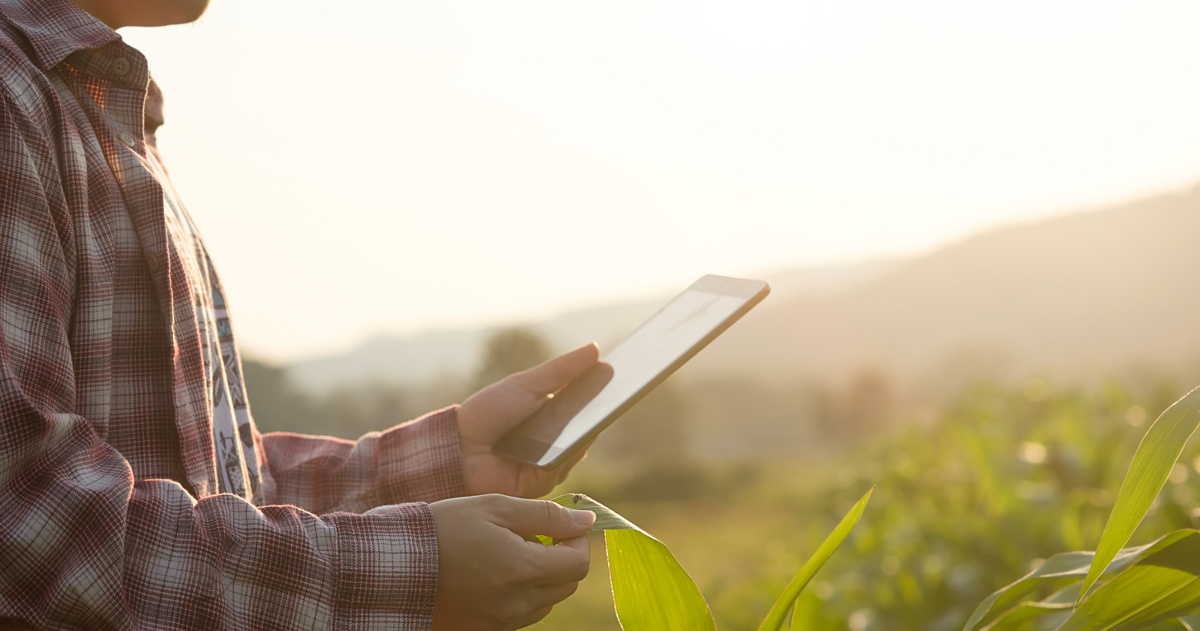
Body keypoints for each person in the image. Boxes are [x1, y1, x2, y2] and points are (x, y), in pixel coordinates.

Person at [0, 0, 601, 628]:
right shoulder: (13, 96)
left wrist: (445, 460)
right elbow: (25, 522)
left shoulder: (82, 98)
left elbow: (214, 491)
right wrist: (416, 571)